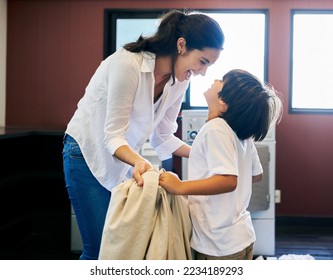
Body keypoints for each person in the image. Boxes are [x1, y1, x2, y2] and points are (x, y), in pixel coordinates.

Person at [62, 9, 225, 260]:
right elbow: (113, 136)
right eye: (202, 61)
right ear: (181, 45)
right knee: (99, 251)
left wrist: (203, 154)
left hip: (121, 159)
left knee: (119, 249)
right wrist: (140, 161)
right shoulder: (128, 64)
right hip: (85, 154)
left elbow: (163, 135)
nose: (202, 72)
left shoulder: (180, 81)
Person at [159, 69, 283, 260]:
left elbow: (227, 180)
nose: (216, 79)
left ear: (223, 102)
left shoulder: (215, 129)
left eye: (222, 81)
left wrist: (179, 187)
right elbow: (256, 175)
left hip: (218, 244)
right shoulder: (240, 134)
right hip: (241, 236)